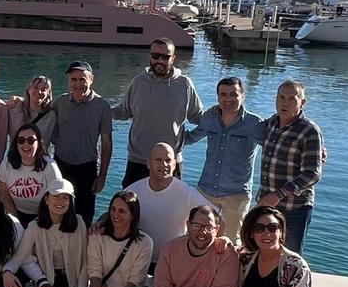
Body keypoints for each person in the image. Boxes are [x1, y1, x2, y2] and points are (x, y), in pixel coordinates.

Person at [3, 179, 88, 287]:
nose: (60, 201)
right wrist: (6, 272)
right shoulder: (35, 227)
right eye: (56, 196)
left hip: (75, 282)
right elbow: (18, 258)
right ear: (46, 199)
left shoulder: (79, 223)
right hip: (49, 282)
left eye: (66, 197)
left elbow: (86, 261)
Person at [183, 76, 266, 246]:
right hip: (205, 190)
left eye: (233, 94)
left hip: (236, 195)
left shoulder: (254, 124)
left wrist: (315, 150)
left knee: (231, 242)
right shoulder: (209, 117)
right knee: (199, 238)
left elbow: (276, 146)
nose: (228, 99)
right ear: (218, 97)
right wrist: (163, 130)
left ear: (243, 95)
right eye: (223, 94)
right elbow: (191, 138)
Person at [113, 38, 203, 186]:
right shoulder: (138, 82)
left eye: (165, 57)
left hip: (171, 162)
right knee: (132, 207)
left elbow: (198, 117)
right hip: (138, 161)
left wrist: (189, 138)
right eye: (155, 56)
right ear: (150, 57)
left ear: (173, 58)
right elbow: (123, 111)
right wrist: (99, 110)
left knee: (171, 208)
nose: (159, 61)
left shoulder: (185, 85)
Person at [257, 80, 324, 253]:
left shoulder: (309, 130)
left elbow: (312, 174)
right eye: (281, 97)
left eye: (291, 99)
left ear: (302, 102)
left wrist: (278, 194)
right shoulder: (272, 123)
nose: (284, 103)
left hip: (294, 209)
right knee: (264, 253)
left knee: (289, 257)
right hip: (267, 204)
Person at [125, 143, 211, 269]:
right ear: (148, 163)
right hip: (138, 260)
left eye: (168, 160)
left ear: (175, 164)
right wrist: (99, 226)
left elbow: (217, 220)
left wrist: (204, 253)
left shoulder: (187, 194)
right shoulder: (133, 191)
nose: (164, 165)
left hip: (173, 263)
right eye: (158, 160)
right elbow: (114, 215)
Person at [50, 61, 113, 225]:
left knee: (84, 216)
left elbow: (106, 143)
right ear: (69, 81)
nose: (78, 84)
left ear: (91, 79)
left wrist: (103, 175)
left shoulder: (102, 106)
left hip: (87, 168)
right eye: (74, 80)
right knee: (58, 214)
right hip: (61, 166)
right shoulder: (59, 102)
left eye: (82, 79)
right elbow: (40, 118)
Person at [0, 123, 63, 226]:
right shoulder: (7, 164)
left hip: (44, 214)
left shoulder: (49, 166)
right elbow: (5, 195)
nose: (26, 144)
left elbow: (57, 196)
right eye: (21, 140)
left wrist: (41, 222)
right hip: (16, 212)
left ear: (39, 143)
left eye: (31, 140)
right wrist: (16, 222)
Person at [8, 75, 56, 154]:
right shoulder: (15, 107)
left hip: (39, 160)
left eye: (43, 89)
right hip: (15, 159)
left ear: (48, 93)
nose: (39, 92)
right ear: (29, 89)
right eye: (36, 87)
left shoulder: (51, 116)